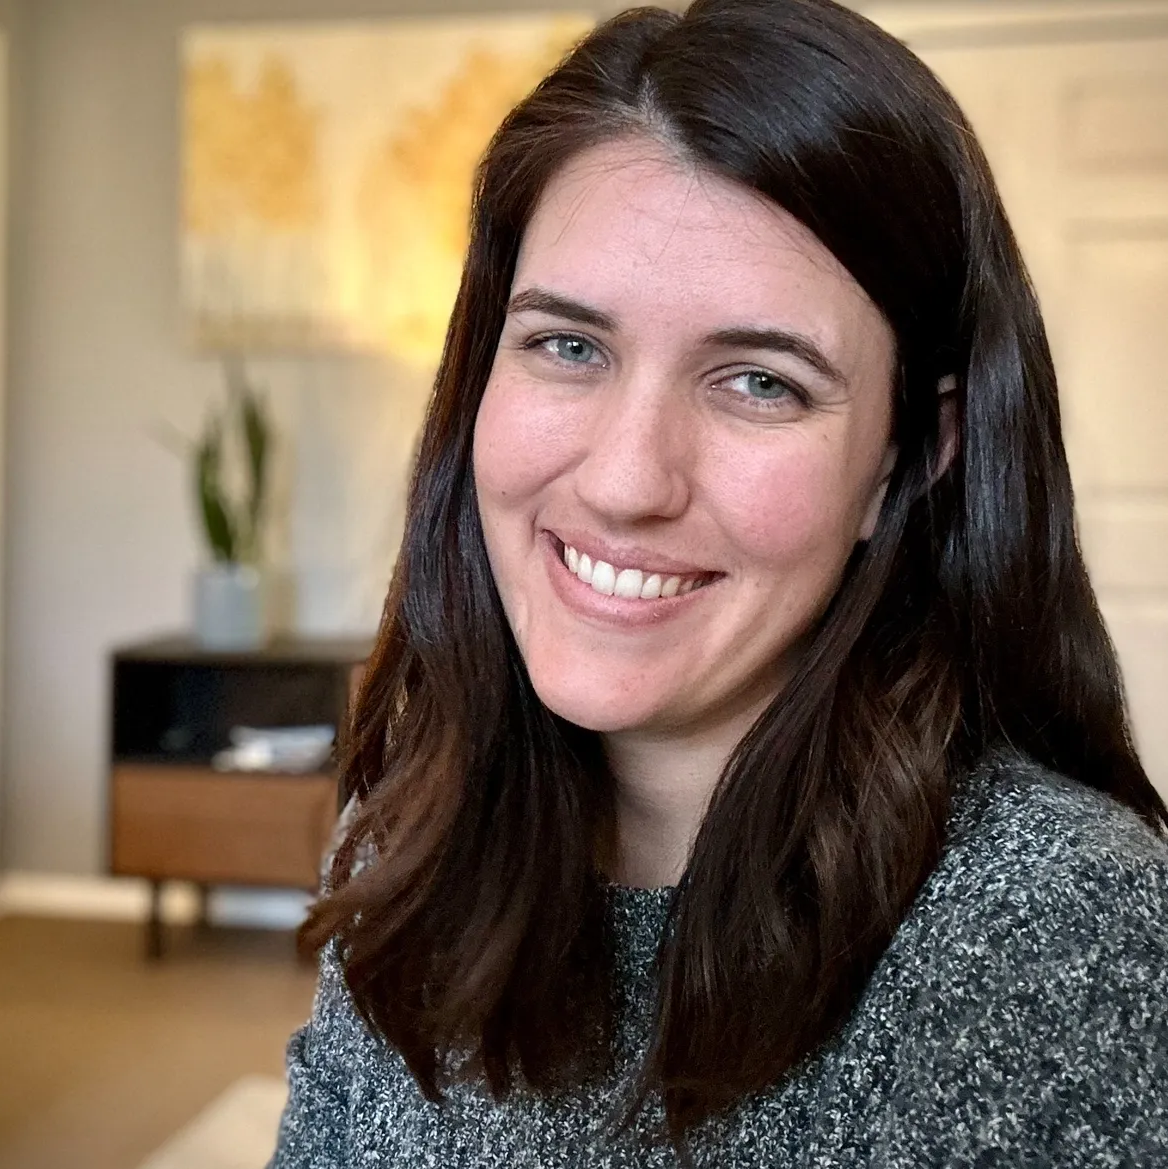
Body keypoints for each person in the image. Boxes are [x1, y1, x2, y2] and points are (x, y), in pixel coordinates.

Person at [269, 1, 1168, 1165]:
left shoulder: (1065, 934)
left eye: (759, 381)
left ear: (910, 455)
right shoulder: (412, 840)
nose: (626, 481)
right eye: (568, 346)